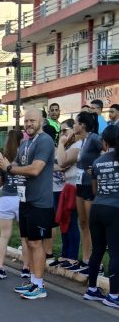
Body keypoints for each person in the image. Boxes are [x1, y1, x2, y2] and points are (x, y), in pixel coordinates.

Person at [0, 108, 55, 300]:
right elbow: (15, 166)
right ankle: (33, 282)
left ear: (41, 121)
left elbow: (35, 169)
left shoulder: (45, 141)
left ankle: (39, 286)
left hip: (40, 201)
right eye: (26, 121)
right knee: (29, 241)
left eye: (32, 120)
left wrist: (8, 167)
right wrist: (3, 162)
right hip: (24, 200)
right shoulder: (26, 143)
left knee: (36, 243)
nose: (28, 124)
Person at [83, 125, 119, 309]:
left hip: (97, 208)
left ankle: (92, 290)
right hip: (115, 210)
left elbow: (95, 190)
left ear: (105, 142)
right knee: (115, 252)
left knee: (97, 250)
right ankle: (113, 295)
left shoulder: (97, 162)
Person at [0, 130, 29, 280]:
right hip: (22, 198)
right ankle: (26, 268)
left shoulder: (4, 158)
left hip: (6, 199)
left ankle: (0, 268)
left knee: (4, 236)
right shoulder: (26, 157)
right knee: (24, 236)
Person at [70, 111, 102, 273]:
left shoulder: (94, 138)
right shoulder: (81, 141)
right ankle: (85, 258)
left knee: (91, 224)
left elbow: (108, 151)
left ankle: (96, 262)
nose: (73, 126)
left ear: (82, 125)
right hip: (80, 184)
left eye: (76, 123)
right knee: (82, 222)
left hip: (90, 185)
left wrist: (97, 168)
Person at [52, 119, 82, 268]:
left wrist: (61, 144)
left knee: (71, 222)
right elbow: (56, 164)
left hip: (74, 188)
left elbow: (61, 163)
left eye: (65, 130)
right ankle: (65, 254)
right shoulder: (68, 146)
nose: (62, 134)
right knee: (64, 221)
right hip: (66, 188)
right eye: (61, 131)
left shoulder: (78, 145)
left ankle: (72, 256)